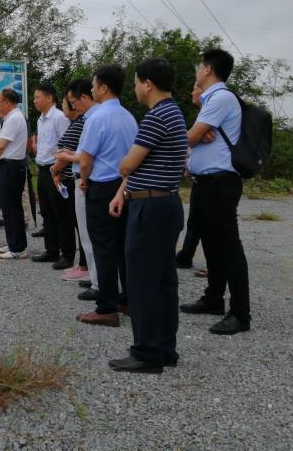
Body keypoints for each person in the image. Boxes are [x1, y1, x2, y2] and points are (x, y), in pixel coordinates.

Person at [106, 58, 188, 373]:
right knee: (163, 281)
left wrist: (124, 168)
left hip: (150, 209)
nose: (136, 88)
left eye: (137, 82)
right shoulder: (174, 112)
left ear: (148, 84)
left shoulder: (156, 117)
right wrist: (123, 191)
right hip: (165, 204)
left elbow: (128, 164)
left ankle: (146, 352)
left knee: (141, 282)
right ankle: (165, 348)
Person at [180, 48, 251, 335]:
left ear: (207, 69)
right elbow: (198, 136)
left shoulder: (221, 97)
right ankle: (213, 299)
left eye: (200, 66)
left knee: (228, 246)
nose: (198, 71)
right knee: (210, 243)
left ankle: (240, 314)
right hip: (206, 182)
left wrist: (195, 135)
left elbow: (191, 137)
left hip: (221, 183)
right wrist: (198, 134)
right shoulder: (211, 101)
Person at [75, 65, 138, 328]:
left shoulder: (97, 117)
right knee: (122, 246)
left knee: (103, 247)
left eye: (93, 85)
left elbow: (85, 160)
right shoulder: (129, 117)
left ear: (103, 87)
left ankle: (106, 307)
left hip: (101, 188)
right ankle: (127, 299)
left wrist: (84, 180)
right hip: (124, 187)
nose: (91, 89)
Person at [51, 81, 90, 283]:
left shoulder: (83, 122)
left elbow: (73, 154)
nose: (65, 106)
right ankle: (82, 264)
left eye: (67, 102)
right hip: (66, 177)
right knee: (71, 222)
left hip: (74, 179)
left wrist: (54, 169)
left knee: (79, 225)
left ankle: (85, 266)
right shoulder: (77, 123)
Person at [32, 83, 72, 268]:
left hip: (56, 170)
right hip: (42, 169)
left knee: (61, 214)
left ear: (49, 98)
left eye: (37, 97)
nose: (35, 101)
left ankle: (67, 254)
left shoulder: (59, 117)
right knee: (46, 212)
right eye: (34, 97)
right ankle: (52, 250)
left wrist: (59, 171)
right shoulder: (41, 119)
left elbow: (67, 145)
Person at [0, 88, 29, 259]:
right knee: (9, 207)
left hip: (11, 166)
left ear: (7, 102)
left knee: (12, 208)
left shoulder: (14, 118)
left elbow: (1, 146)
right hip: (7, 165)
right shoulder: (10, 118)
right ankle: (14, 242)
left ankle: (18, 248)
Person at [176, 85, 204, 271]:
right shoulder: (203, 115)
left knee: (209, 223)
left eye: (196, 88)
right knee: (196, 220)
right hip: (199, 178)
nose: (192, 92)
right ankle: (185, 255)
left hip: (213, 179)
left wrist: (195, 136)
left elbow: (189, 139)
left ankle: (218, 265)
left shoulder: (213, 111)